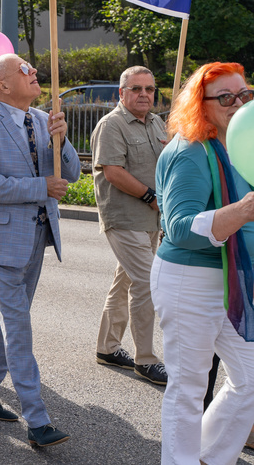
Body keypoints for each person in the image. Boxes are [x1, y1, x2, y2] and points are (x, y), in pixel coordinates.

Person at [0, 54, 80, 448]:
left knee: (9, 316)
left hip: (38, 234)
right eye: (24, 71)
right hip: (1, 239)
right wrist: (40, 187)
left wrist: (61, 143)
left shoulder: (45, 119)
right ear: (2, 86)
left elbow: (71, 174)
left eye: (33, 69)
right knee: (18, 325)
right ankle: (37, 419)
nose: (35, 74)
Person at [151, 61, 254, 463]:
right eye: (225, 97)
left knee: (248, 381)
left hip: (235, 280)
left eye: (244, 94)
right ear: (202, 104)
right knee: (190, 386)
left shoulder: (242, 144)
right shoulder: (190, 150)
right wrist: (241, 211)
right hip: (188, 281)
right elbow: (178, 227)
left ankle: (210, 456)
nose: (238, 103)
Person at [91, 66, 168, 385]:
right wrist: (151, 195)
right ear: (120, 94)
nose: (144, 95)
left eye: (149, 89)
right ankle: (146, 359)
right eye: (136, 89)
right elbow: (113, 172)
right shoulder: (112, 125)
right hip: (124, 217)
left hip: (152, 217)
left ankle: (107, 348)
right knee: (147, 283)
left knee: (126, 281)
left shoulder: (157, 122)